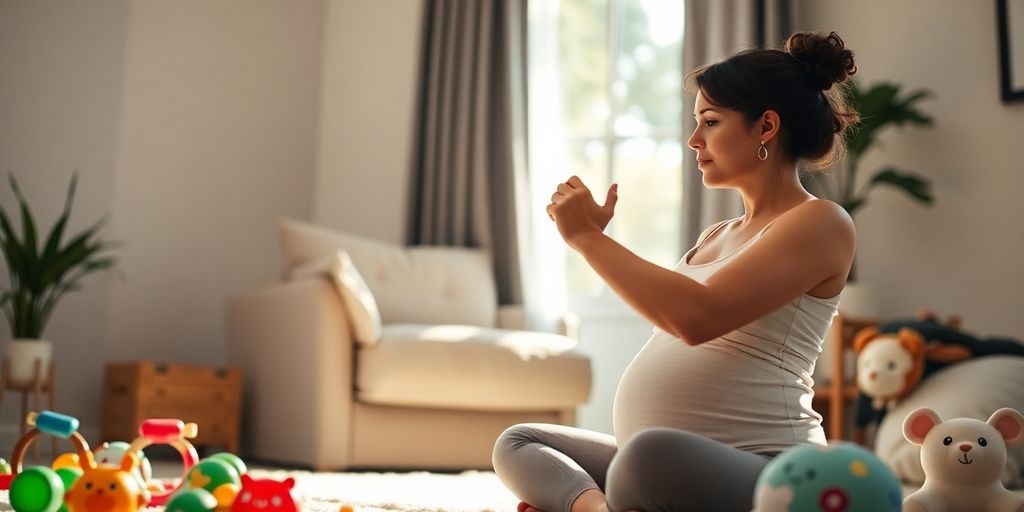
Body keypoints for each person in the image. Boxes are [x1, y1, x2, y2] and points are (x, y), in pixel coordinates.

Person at [492, 31, 860, 512]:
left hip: (771, 468)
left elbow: (695, 318)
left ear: (766, 127)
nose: (693, 140)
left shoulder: (820, 222)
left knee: (645, 457)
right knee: (519, 442)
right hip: (661, 468)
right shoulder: (717, 235)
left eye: (710, 121)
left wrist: (588, 240)